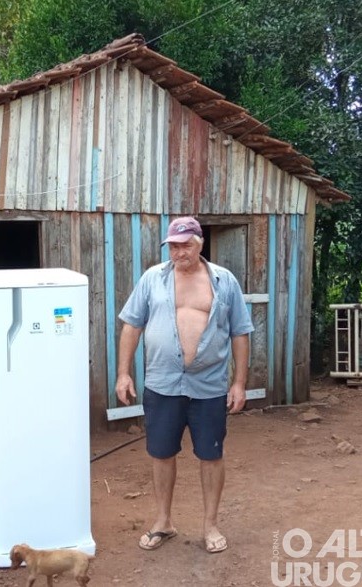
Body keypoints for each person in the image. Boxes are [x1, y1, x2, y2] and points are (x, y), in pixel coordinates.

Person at [115, 216, 253, 555]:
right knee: (161, 453)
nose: (179, 252)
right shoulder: (152, 278)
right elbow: (131, 326)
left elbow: (240, 332)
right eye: (173, 246)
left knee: (211, 454)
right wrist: (123, 373)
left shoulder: (224, 281)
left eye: (185, 245)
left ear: (199, 243)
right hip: (163, 383)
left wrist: (239, 383)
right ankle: (163, 521)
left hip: (209, 386)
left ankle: (210, 525)